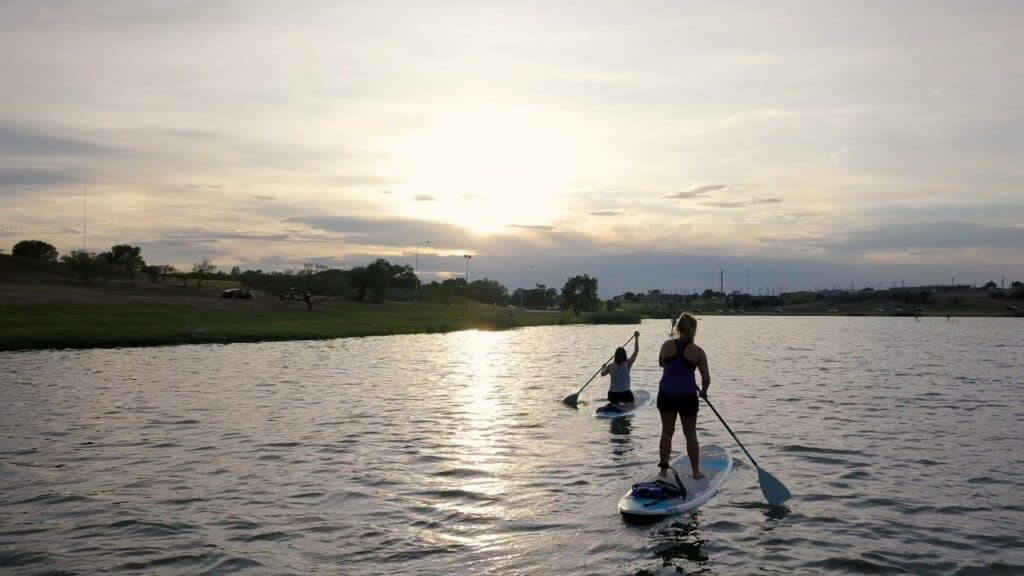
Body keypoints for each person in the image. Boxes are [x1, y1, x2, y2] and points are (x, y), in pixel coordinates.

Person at [657, 313, 710, 479]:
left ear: (678, 328)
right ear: (693, 330)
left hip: (666, 394)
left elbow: (661, 363)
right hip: (687, 396)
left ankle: (663, 469)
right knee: (690, 433)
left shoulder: (666, 345)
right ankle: (695, 471)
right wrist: (703, 391)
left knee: (667, 431)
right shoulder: (698, 352)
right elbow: (706, 379)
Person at [599, 331, 640, 411]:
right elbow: (636, 352)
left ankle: (613, 404)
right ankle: (621, 405)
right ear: (624, 355)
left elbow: (602, 374)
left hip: (612, 394)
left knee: (615, 401)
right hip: (625, 393)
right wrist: (636, 338)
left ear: (615, 356)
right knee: (631, 403)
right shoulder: (628, 363)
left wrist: (603, 367)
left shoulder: (610, 366)